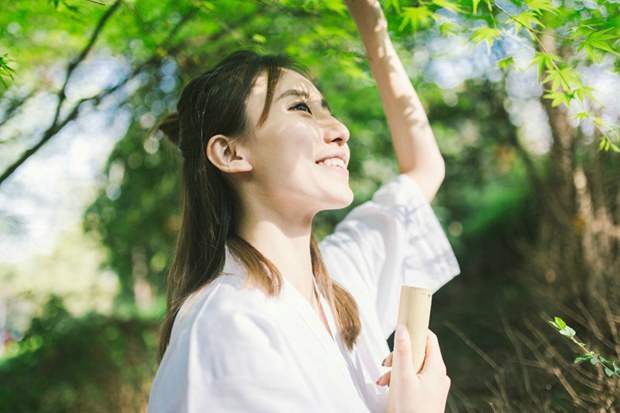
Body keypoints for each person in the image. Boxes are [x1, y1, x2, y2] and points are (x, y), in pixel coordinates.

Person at [148, 0, 459, 411]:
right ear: (230, 153)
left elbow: (424, 169)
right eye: (300, 108)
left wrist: (371, 22)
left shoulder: (341, 279)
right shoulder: (225, 325)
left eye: (328, 110)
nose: (340, 130)